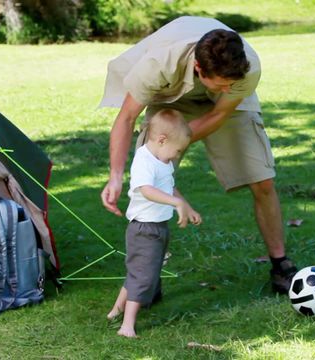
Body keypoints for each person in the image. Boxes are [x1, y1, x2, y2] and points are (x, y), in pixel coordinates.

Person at [99, 16, 297, 294]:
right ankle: (145, 280)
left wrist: (182, 136)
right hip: (170, 96)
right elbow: (126, 117)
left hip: (222, 109)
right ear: (199, 68)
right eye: (221, 83)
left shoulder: (245, 69)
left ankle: (280, 265)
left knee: (262, 179)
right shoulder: (158, 63)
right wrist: (116, 176)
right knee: (149, 182)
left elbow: (219, 113)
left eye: (231, 83)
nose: (227, 88)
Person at [107, 109, 202, 338]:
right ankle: (127, 325)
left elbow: (168, 186)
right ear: (161, 140)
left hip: (158, 227)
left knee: (140, 271)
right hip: (144, 229)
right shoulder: (144, 161)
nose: (176, 156)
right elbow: (146, 190)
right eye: (177, 151)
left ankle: (116, 311)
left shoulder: (162, 160)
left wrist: (185, 206)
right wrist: (174, 202)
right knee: (144, 276)